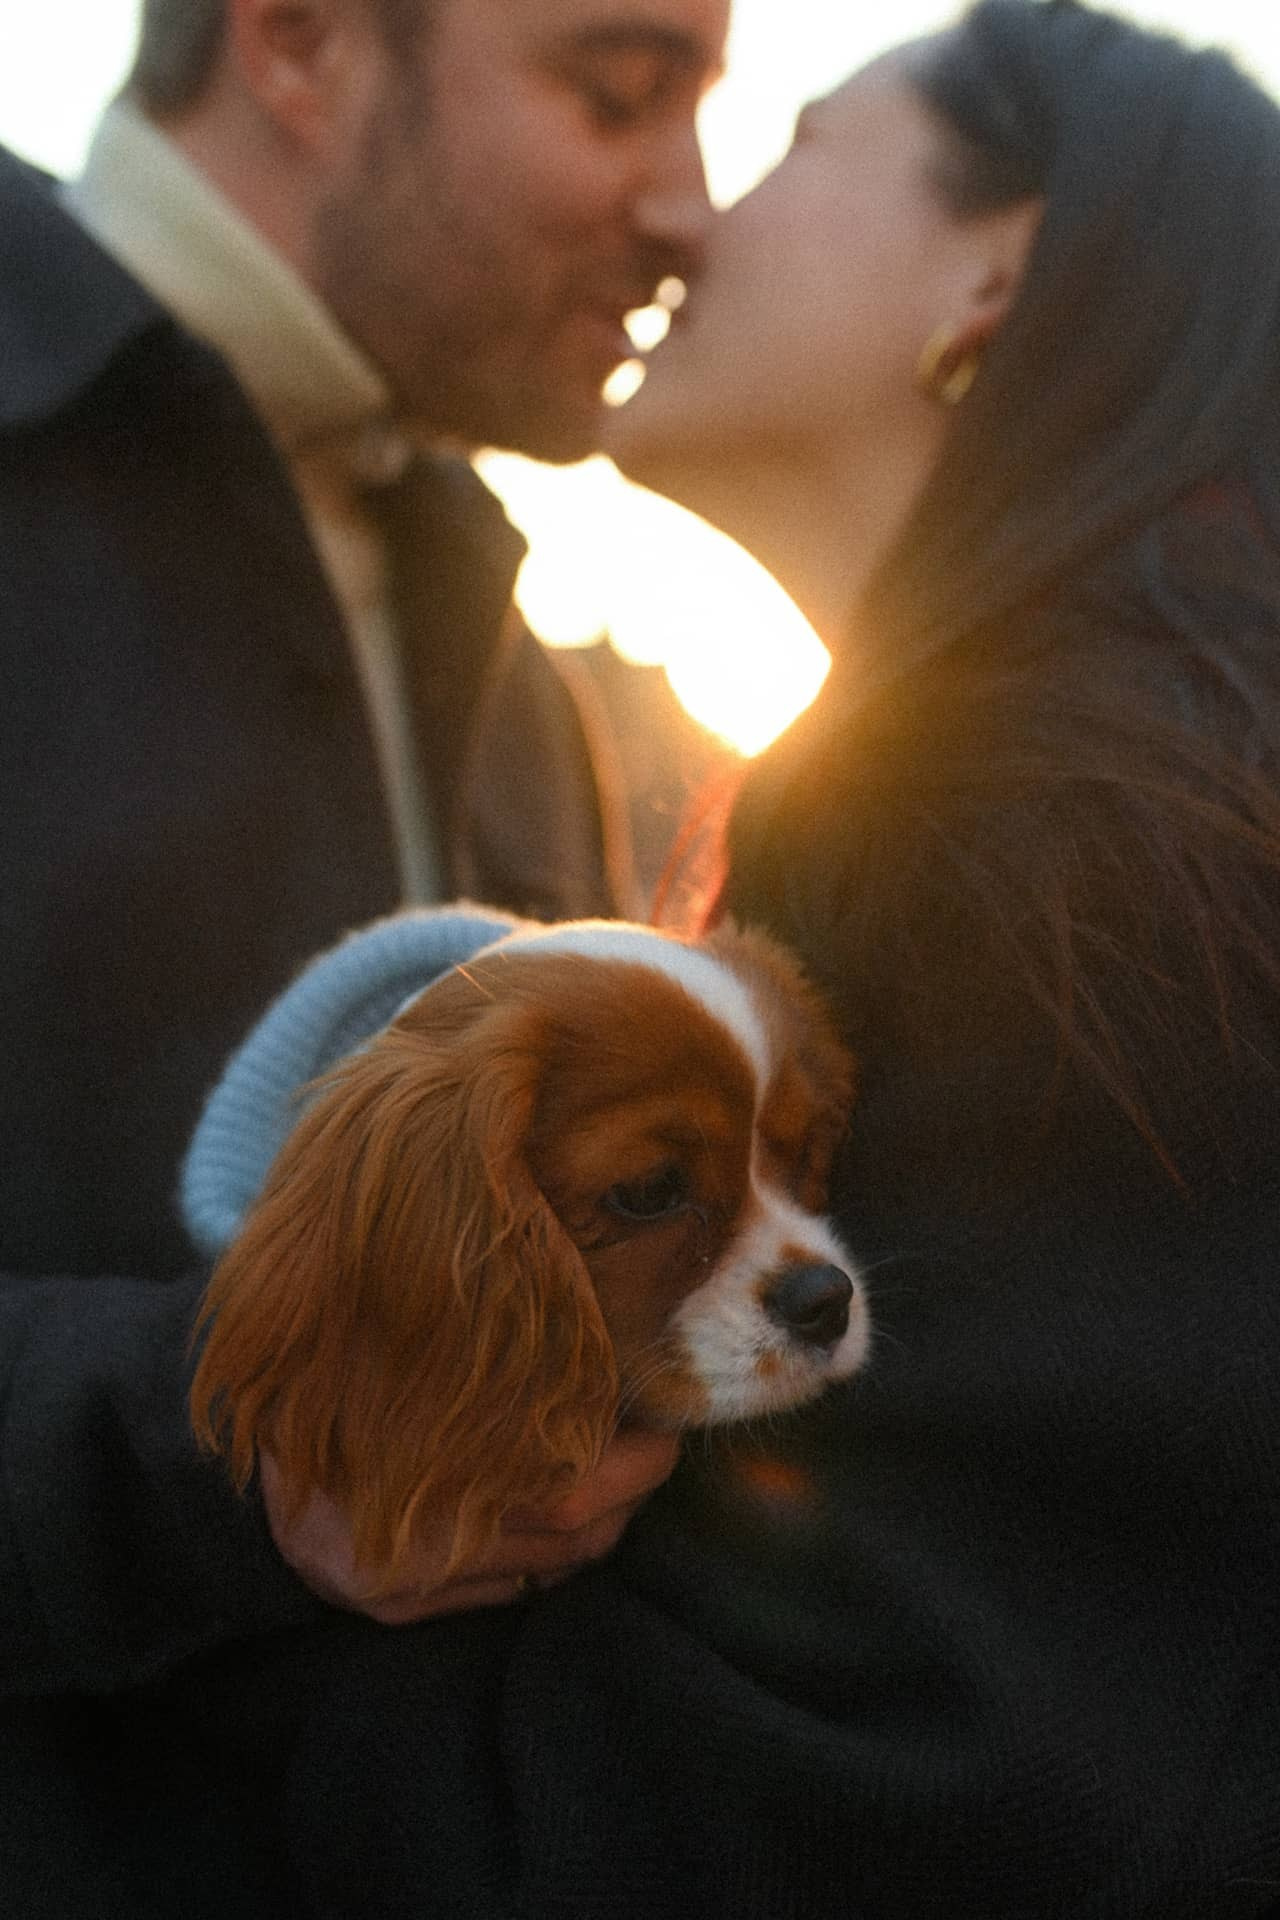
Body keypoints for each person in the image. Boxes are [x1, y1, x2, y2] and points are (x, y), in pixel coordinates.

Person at [205, 1, 1273, 1912]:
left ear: (992, 280)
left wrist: (240, 1746)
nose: (688, 214)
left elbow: (898, 1772)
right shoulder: (994, 802)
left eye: (786, 144)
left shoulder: (1105, 868)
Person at [0, 0, 728, 1908]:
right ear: (301, 38)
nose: (695, 206)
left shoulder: (495, 613)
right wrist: (244, 1445)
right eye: (620, 91)